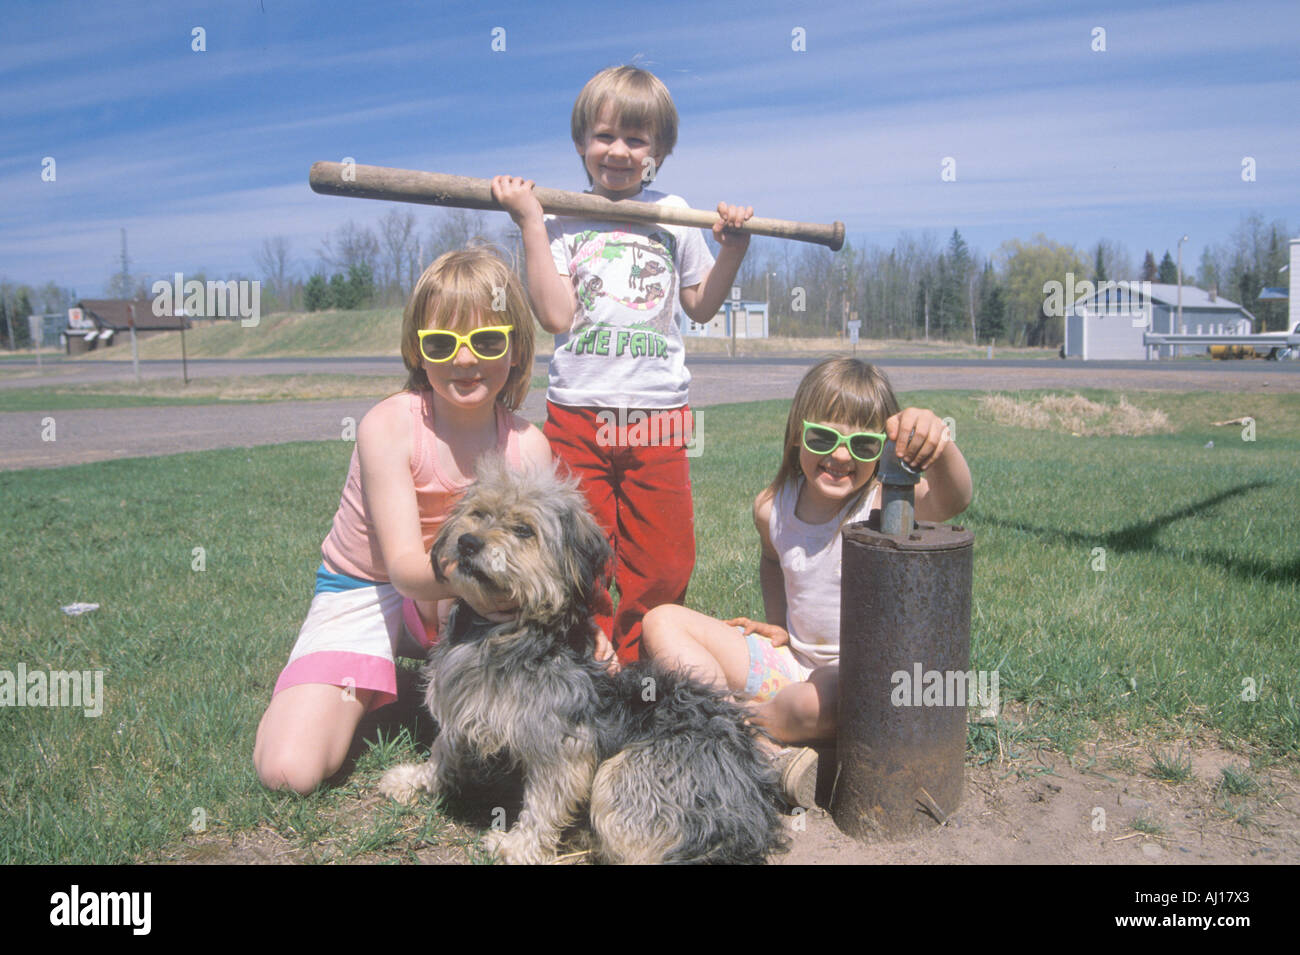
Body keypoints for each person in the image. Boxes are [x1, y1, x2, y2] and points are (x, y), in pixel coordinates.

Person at [253, 246, 553, 794]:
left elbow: (544, 563)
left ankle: (418, 683)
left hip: (470, 594)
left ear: (517, 349)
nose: (465, 360)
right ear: (418, 352)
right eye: (442, 344)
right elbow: (405, 570)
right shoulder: (388, 425)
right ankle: (357, 680)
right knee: (287, 772)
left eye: (487, 341)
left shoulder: (529, 445)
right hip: (369, 587)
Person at [489, 64, 754, 664]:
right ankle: (590, 655)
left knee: (664, 557)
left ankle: (643, 666)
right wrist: (531, 222)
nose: (619, 151)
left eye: (637, 140)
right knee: (581, 547)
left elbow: (702, 305)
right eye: (605, 136)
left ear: (659, 151)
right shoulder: (561, 218)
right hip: (578, 415)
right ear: (582, 141)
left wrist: (731, 250)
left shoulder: (675, 216)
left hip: (657, 416)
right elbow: (556, 315)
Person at [640, 358, 973, 806]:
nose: (840, 455)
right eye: (823, 437)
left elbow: (954, 499)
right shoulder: (772, 506)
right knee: (662, 622)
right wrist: (778, 623)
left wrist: (939, 443)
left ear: (883, 450)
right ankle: (743, 732)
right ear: (798, 432)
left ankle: (731, 731)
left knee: (811, 704)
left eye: (862, 445)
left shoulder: (883, 505)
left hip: (855, 678)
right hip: (791, 663)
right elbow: (772, 560)